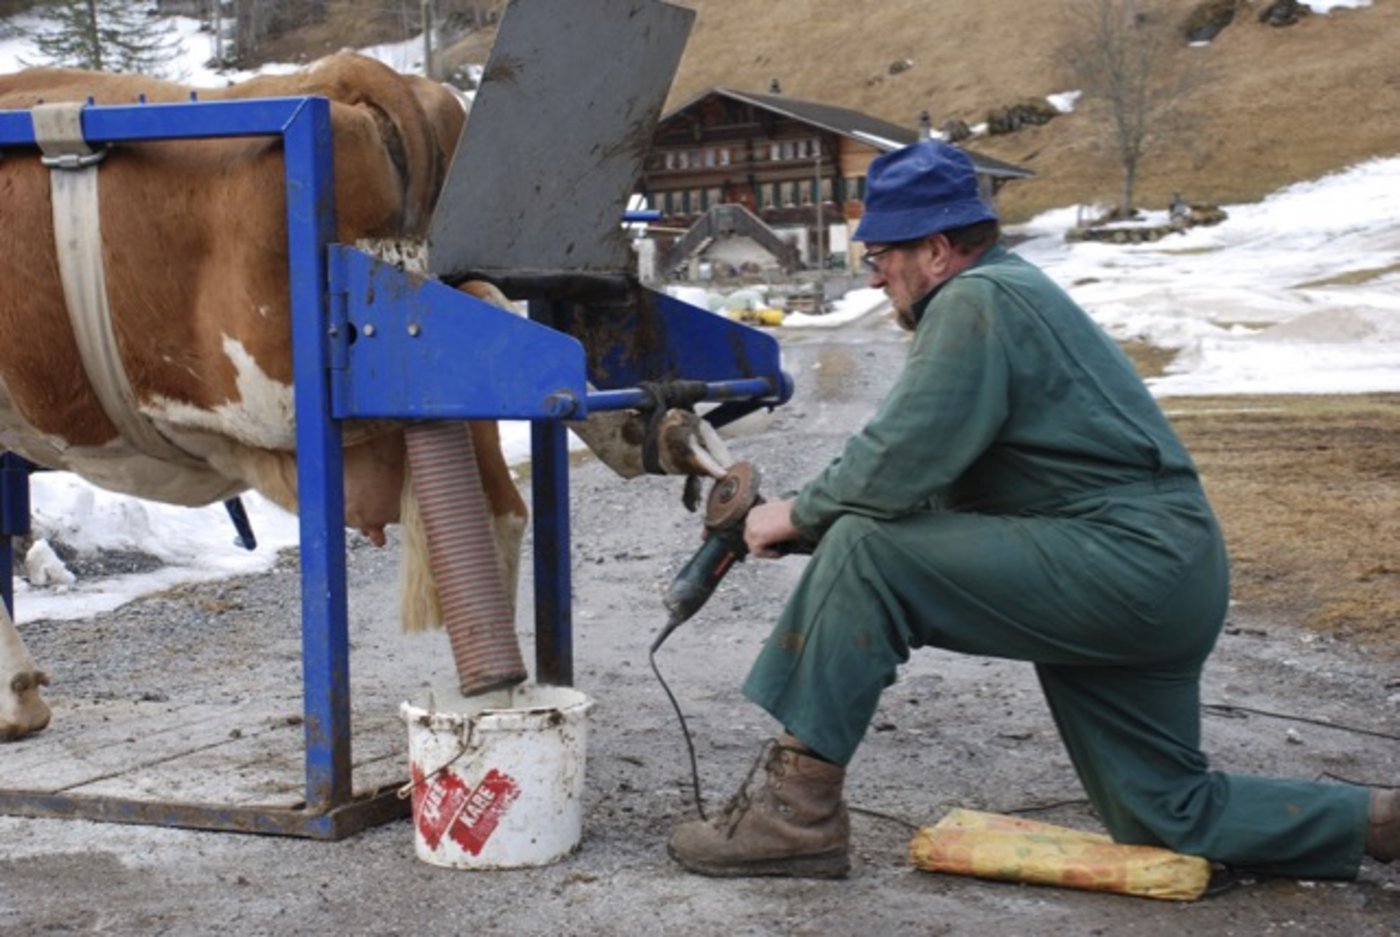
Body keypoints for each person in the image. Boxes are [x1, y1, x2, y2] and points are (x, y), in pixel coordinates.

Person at [666, 140, 1398, 879]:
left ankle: (795, 818)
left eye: (881, 254)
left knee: (867, 551)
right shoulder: (1010, 297)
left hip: (1122, 560)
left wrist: (798, 514)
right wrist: (797, 526)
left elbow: (902, 456)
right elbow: (923, 481)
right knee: (1166, 812)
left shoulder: (978, 299)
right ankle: (1378, 821)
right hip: (1158, 575)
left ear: (938, 250)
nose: (874, 273)